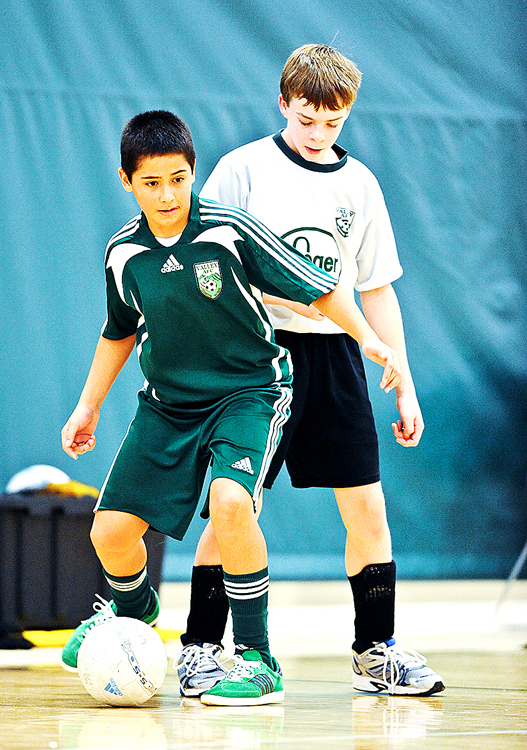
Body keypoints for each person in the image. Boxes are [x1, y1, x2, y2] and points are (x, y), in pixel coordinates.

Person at [60, 109, 401, 707]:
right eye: (151, 182)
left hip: (249, 393)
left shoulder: (229, 229)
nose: (167, 194)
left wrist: (369, 339)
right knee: (109, 534)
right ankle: (133, 620)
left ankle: (256, 660)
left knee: (231, 502)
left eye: (178, 178)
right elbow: (117, 333)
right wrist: (87, 407)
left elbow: (320, 286)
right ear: (126, 182)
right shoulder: (122, 253)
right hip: (167, 406)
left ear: (193, 173)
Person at [174, 44, 445, 698]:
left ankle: (375, 648)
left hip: (335, 357)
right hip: (256, 356)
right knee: (233, 506)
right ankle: (203, 648)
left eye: (333, 124)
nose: (319, 134)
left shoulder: (360, 185)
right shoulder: (243, 170)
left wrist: (403, 377)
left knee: (368, 508)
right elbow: (200, 257)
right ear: (283, 104)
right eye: (307, 120)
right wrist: (246, 303)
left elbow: (376, 288)